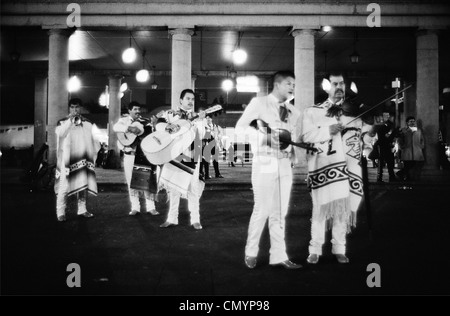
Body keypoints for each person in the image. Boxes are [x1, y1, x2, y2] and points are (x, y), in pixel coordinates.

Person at [301, 72, 373, 264]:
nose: (339, 87)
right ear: (327, 86)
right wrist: (327, 130)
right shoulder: (313, 111)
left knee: (342, 210)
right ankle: (315, 249)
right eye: (335, 83)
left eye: (342, 83)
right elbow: (306, 136)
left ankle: (339, 248)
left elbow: (367, 136)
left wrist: (369, 140)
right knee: (320, 209)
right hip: (324, 166)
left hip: (349, 167)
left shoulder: (354, 112)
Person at [235, 70, 302, 269]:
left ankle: (279, 255)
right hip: (265, 161)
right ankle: (250, 251)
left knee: (280, 212)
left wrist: (293, 150)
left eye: (294, 85)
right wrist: (263, 138)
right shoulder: (259, 102)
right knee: (262, 209)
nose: (292, 87)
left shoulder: (294, 111)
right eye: (289, 83)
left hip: (284, 163)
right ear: (278, 84)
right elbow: (240, 128)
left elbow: (295, 137)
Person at [159, 89, 206, 230]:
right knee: (173, 189)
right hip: (176, 154)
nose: (191, 101)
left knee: (193, 187)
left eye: (192, 99)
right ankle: (172, 218)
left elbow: (202, 135)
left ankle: (195, 219)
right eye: (188, 98)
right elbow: (159, 127)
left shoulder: (197, 116)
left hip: (193, 154)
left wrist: (201, 121)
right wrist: (168, 126)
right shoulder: (170, 114)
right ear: (181, 100)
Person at [54, 98, 100, 222]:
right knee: (64, 186)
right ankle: (60, 212)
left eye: (77, 107)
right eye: (73, 107)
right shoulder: (62, 122)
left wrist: (92, 153)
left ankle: (82, 210)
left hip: (83, 158)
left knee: (82, 185)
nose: (75, 110)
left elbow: (96, 140)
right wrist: (70, 121)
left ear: (81, 108)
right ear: (69, 108)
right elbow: (61, 134)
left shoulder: (88, 123)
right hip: (67, 160)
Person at [113, 101, 159, 216]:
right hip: (129, 155)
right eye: (135, 109)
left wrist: (154, 125)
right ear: (129, 111)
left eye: (139, 109)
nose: (138, 111)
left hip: (142, 156)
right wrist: (129, 128)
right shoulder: (123, 120)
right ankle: (135, 207)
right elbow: (115, 127)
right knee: (131, 182)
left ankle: (151, 207)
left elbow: (152, 135)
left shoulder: (144, 122)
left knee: (146, 180)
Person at [372, 111, 398, 182]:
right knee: (385, 162)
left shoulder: (385, 127)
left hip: (384, 146)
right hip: (383, 146)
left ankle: (383, 177)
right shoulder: (383, 127)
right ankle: (385, 177)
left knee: (386, 162)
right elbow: (387, 138)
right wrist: (393, 133)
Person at [398, 116, 425, 181]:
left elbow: (422, 139)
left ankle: (401, 174)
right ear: (407, 123)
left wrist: (421, 146)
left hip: (416, 150)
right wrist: (402, 146)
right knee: (407, 164)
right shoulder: (404, 130)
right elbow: (400, 139)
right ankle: (407, 177)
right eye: (411, 121)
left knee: (414, 164)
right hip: (407, 150)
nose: (412, 122)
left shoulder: (418, 130)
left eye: (413, 121)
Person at [201, 115, 224, 179]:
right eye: (207, 118)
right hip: (207, 145)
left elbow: (220, 134)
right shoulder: (204, 127)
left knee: (215, 160)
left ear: (211, 119)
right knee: (206, 161)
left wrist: (219, 139)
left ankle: (217, 174)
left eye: (209, 118)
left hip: (214, 144)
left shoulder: (216, 126)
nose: (208, 119)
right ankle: (206, 175)